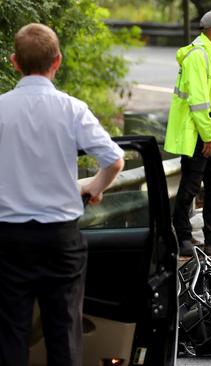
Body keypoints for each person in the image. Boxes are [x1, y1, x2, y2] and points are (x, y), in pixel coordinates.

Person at [0, 23, 124, 366]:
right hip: (60, 238)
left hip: (8, 238)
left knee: (9, 331)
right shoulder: (72, 110)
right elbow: (114, 160)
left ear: (14, 62)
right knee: (65, 331)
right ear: (57, 61)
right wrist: (93, 188)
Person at [164, 10, 211, 256]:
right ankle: (182, 238)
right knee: (191, 185)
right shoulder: (198, 56)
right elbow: (197, 102)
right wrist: (207, 135)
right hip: (199, 129)